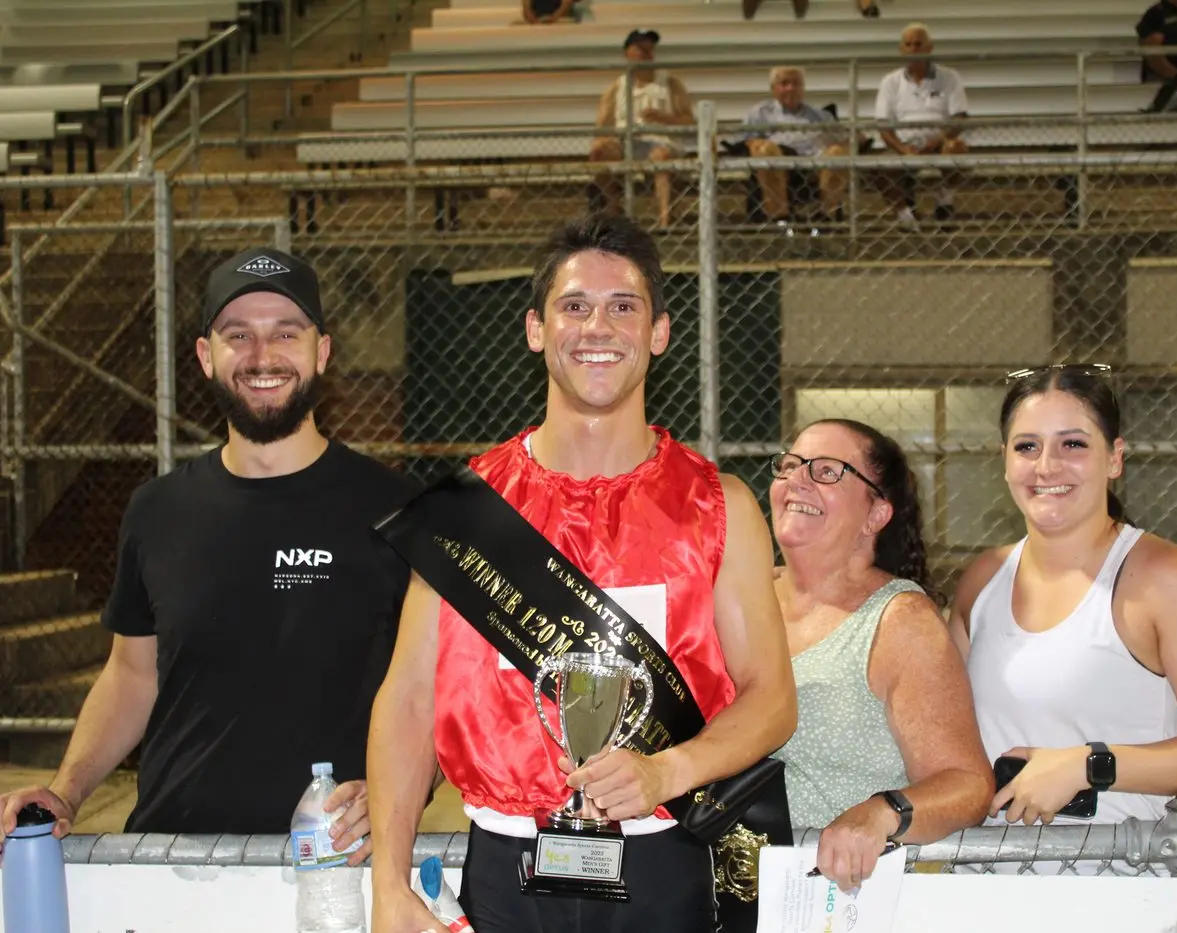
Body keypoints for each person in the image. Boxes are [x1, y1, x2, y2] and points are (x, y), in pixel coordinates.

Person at [366, 213, 798, 933]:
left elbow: (771, 700)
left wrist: (669, 770)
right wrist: (386, 879)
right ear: (536, 328)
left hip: (666, 859)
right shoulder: (463, 513)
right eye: (574, 306)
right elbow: (409, 699)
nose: (597, 326)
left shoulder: (719, 506)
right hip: (504, 864)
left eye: (622, 306)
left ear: (658, 332)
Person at [0, 247, 416, 852]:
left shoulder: (398, 508)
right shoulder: (156, 509)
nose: (262, 356)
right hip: (171, 855)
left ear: (321, 351)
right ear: (205, 356)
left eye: (286, 333)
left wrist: (396, 792)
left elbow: (438, 691)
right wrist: (66, 791)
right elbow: (130, 675)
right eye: (238, 334)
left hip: (330, 857)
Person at [947, 364, 1177, 840]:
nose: (1047, 466)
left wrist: (1087, 766)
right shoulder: (984, 579)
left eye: (1073, 444)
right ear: (1005, 461)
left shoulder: (1165, 578)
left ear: (1114, 458)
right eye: (1026, 446)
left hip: (1114, 883)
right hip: (984, 877)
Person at [769, 419, 993, 893]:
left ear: (876, 515)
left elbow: (967, 784)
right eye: (789, 466)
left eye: (827, 471)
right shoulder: (741, 599)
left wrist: (882, 812)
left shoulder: (899, 621)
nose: (796, 481)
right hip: (720, 891)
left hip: (835, 898)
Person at [588, 30, 695, 228]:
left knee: (660, 155)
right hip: (626, 141)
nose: (646, 53)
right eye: (640, 48)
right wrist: (601, 141)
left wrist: (664, 118)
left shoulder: (670, 83)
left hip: (661, 140)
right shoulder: (616, 88)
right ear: (627, 53)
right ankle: (613, 207)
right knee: (599, 151)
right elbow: (602, 124)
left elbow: (690, 121)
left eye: (649, 49)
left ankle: (665, 217)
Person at [872, 23, 970, 227]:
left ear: (929, 48)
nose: (913, 49)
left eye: (918, 44)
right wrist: (903, 149)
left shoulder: (949, 77)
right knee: (879, 165)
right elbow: (883, 125)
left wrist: (936, 142)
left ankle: (945, 201)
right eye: (908, 44)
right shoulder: (890, 82)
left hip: (940, 142)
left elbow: (959, 118)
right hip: (904, 145)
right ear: (901, 49)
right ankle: (905, 216)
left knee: (957, 148)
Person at [738, 67, 850, 226]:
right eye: (784, 83)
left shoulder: (820, 115)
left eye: (796, 83)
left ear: (803, 88)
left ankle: (827, 218)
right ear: (773, 88)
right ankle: (780, 218)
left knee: (838, 153)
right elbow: (746, 142)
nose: (791, 88)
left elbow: (846, 140)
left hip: (815, 165)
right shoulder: (760, 113)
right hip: (779, 163)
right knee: (764, 150)